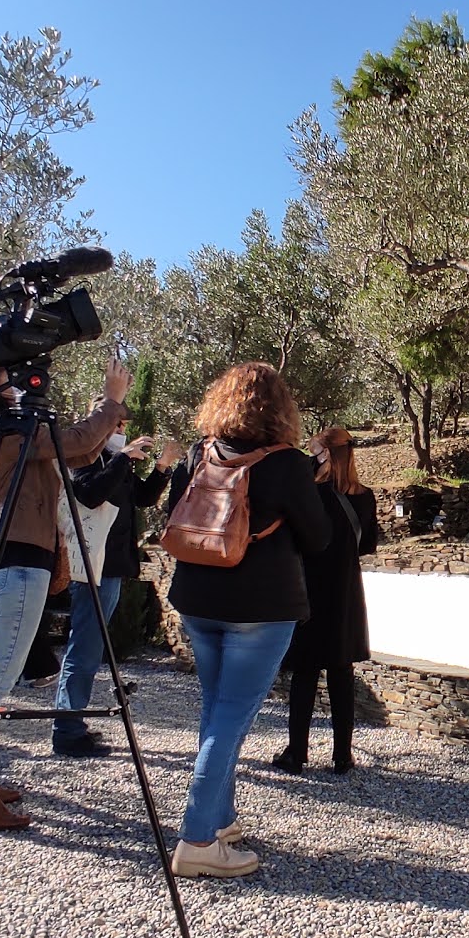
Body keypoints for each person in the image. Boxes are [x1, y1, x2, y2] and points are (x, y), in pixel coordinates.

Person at [0, 355, 129, 826]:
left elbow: (74, 451)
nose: (16, 378)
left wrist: (106, 430)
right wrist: (110, 401)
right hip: (20, 557)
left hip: (18, 555)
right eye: (6, 372)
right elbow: (75, 441)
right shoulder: (0, 427)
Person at [162, 363, 329, 877]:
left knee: (216, 711)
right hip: (261, 607)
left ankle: (221, 820)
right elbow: (318, 539)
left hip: (197, 598)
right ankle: (195, 840)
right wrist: (311, 483)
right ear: (282, 410)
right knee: (231, 717)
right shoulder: (289, 464)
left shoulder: (198, 453)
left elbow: (175, 514)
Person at [54, 432, 182, 746]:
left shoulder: (111, 460)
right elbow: (90, 494)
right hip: (90, 566)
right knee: (84, 646)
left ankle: (72, 724)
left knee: (89, 644)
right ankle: (67, 731)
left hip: (109, 566)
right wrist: (122, 457)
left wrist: (162, 466)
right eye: (116, 421)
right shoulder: (84, 458)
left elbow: (141, 497)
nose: (123, 427)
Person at [274, 427, 380, 775]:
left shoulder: (312, 494)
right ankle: (342, 756)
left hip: (309, 589)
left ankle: (297, 753)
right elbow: (367, 546)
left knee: (305, 674)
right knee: (341, 674)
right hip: (346, 591)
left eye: (313, 450)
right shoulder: (365, 496)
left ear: (324, 454)